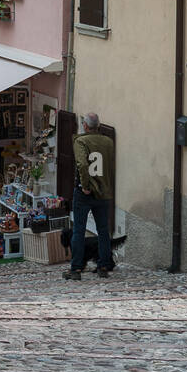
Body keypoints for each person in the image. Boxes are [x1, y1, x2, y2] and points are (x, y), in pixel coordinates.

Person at [64, 111, 115, 281]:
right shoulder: (108, 142)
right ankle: (103, 266)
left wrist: (85, 186)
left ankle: (76, 269)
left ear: (85, 126)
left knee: (78, 230)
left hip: (85, 193)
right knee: (103, 231)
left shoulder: (81, 141)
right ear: (98, 126)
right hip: (103, 191)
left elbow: (82, 164)